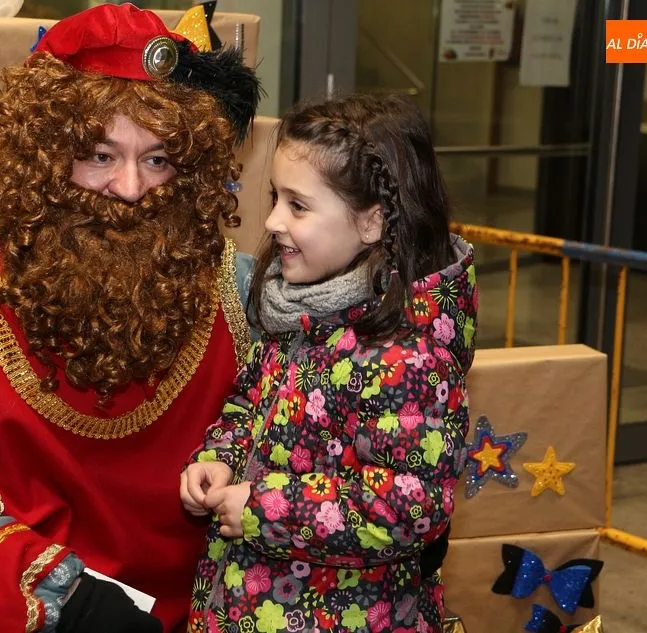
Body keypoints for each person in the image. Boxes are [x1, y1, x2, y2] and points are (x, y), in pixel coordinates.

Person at [0, 4, 260, 633]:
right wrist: (69, 603)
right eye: (101, 155)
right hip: (20, 612)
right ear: (41, 158)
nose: (131, 189)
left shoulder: (233, 284)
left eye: (159, 160)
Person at [179, 95, 477, 633]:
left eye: (298, 206)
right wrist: (220, 458)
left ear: (371, 222)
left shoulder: (405, 357)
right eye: (275, 197)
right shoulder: (301, 314)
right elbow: (250, 403)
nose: (272, 220)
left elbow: (407, 506)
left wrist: (264, 509)